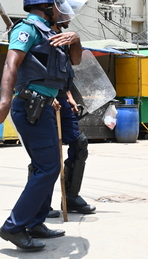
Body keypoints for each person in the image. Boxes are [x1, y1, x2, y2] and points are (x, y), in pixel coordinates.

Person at [0, 0, 83, 251]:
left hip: (46, 107)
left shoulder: (53, 32)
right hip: (31, 107)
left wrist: (76, 39)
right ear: (47, 6)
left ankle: (36, 221)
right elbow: (11, 64)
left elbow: (75, 61)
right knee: (47, 167)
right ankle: (14, 227)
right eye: (56, 6)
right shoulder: (26, 29)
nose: (61, 10)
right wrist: (4, 103)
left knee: (50, 165)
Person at [48, 17, 96, 216]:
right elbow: (31, 73)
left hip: (62, 99)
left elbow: (65, 72)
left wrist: (69, 96)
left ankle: (71, 197)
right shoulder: (42, 36)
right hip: (44, 99)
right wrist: (49, 97)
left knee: (79, 144)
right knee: (47, 153)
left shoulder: (63, 40)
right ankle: (40, 204)